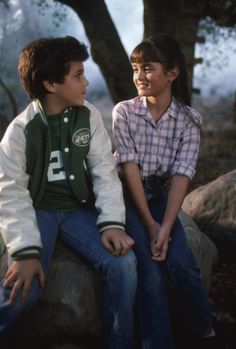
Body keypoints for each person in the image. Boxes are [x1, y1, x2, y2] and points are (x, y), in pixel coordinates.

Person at [0, 36, 137, 349]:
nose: (86, 82)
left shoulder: (88, 116)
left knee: (124, 265)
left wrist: (112, 222)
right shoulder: (21, 131)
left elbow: (105, 172)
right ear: (50, 83)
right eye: (78, 75)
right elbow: (10, 192)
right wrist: (24, 249)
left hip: (77, 211)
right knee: (25, 288)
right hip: (39, 211)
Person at [112, 34, 215, 349]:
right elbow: (128, 168)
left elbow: (182, 176)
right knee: (150, 268)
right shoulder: (124, 112)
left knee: (181, 259)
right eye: (135, 68)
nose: (139, 76)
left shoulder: (189, 121)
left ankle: (205, 329)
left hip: (160, 194)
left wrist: (167, 225)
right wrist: (150, 223)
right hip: (127, 194)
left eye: (148, 68)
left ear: (172, 74)